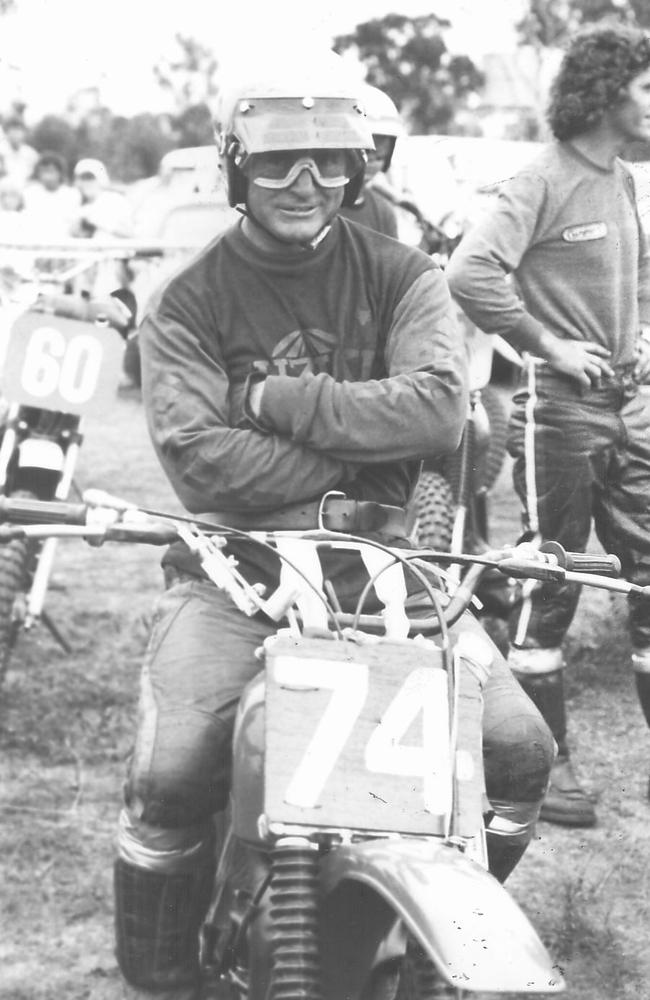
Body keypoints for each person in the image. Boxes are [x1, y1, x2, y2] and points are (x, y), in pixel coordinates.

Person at [114, 51, 554, 999]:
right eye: (276, 162)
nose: (304, 184)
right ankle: (162, 977)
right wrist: (364, 446)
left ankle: (426, 927)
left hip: (390, 563)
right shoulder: (186, 299)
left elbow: (440, 411)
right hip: (238, 564)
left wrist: (270, 397)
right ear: (237, 169)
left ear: (359, 171)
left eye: (328, 162)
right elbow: (200, 464)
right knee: (173, 770)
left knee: (520, 753)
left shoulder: (405, 274)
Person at [447, 23, 650, 828]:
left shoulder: (625, 182)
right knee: (550, 582)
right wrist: (549, 344)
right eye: (647, 86)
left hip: (627, 408)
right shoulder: (539, 179)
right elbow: (470, 272)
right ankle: (547, 765)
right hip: (556, 414)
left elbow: (635, 282)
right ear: (605, 95)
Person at [338, 82, 401, 237]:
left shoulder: (383, 212)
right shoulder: (322, 205)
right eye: (365, 152)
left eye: (379, 155)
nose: (370, 162)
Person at [23, 151, 80, 240]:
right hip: (36, 242)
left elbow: (74, 224)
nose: (46, 175)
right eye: (43, 171)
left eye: (50, 171)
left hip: (64, 243)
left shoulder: (72, 194)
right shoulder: (30, 193)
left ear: (60, 173)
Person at [1, 118, 38, 189]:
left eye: (19, 130)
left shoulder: (31, 154)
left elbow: (35, 176)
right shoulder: (1, 150)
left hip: (25, 189)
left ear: (24, 133)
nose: (16, 134)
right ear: (6, 132)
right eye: (12, 130)